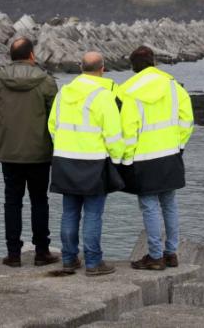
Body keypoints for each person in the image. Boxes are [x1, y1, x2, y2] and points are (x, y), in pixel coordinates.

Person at [0, 37, 61, 267]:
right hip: (39, 154)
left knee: (12, 202)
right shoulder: (46, 82)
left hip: (9, 154)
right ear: (32, 55)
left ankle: (13, 253)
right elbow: (56, 120)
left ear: (11, 57)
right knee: (40, 201)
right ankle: (42, 251)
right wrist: (53, 148)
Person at [117, 45, 194, 271]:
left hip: (143, 157)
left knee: (149, 206)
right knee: (169, 204)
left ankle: (155, 255)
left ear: (133, 67)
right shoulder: (173, 86)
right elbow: (187, 120)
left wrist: (126, 159)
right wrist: (179, 145)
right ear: (154, 62)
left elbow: (128, 130)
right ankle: (171, 253)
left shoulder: (127, 91)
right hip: (170, 154)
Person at [48, 51, 125, 276]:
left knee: (69, 212)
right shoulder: (103, 96)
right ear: (102, 69)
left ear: (80, 68)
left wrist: (64, 145)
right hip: (93, 163)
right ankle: (93, 262)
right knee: (93, 214)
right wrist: (119, 159)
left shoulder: (63, 92)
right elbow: (113, 134)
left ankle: (69, 259)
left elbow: (52, 125)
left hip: (64, 160)